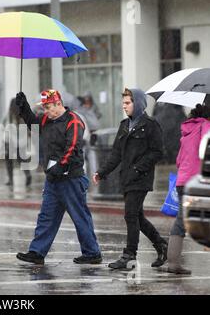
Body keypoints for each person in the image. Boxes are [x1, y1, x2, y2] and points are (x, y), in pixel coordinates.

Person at [15, 89, 102, 265]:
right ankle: (37, 252)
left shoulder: (74, 121)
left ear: (58, 104)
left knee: (80, 216)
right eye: (44, 108)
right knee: (46, 217)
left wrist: (61, 166)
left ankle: (92, 253)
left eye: (48, 107)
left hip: (71, 179)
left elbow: (72, 147)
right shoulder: (47, 119)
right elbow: (33, 123)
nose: (46, 111)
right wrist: (23, 108)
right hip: (53, 179)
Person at [93, 88, 168, 270]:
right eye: (123, 103)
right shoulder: (124, 125)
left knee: (131, 215)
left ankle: (129, 255)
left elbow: (158, 152)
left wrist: (138, 168)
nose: (124, 106)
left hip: (140, 178)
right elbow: (116, 154)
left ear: (139, 104)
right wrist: (101, 172)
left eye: (128, 103)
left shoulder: (151, 125)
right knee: (138, 217)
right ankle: (161, 245)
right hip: (126, 178)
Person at [166, 101, 210, 274]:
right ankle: (173, 263)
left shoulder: (188, 129)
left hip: (183, 181)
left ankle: (173, 262)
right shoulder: (206, 127)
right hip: (199, 181)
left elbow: (179, 159)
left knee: (181, 220)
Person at [3, 98, 32, 187]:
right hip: (22, 142)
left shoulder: (8, 115)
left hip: (10, 141)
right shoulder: (23, 115)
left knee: (9, 161)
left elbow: (3, 125)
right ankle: (27, 174)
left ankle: (11, 180)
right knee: (22, 159)